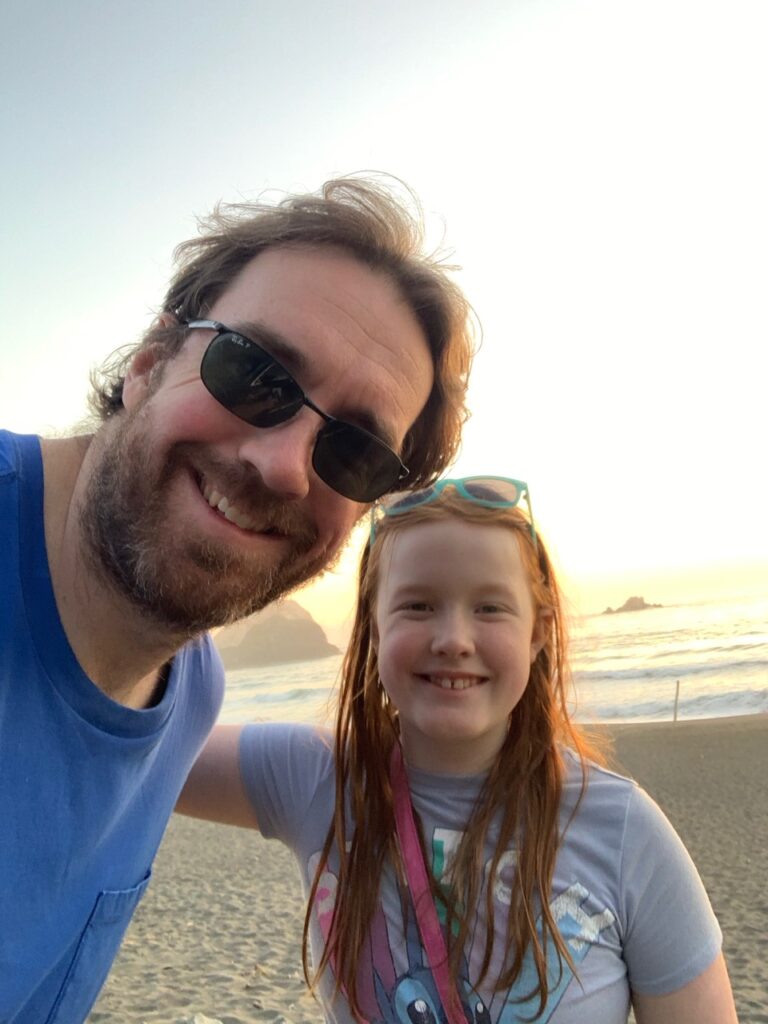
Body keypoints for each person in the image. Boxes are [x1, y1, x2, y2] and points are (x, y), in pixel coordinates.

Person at [0, 176, 475, 1022]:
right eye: (255, 373)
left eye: (355, 453)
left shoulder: (190, 692)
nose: (285, 465)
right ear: (151, 361)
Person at [179, 477, 738, 1023]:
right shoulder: (313, 780)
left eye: (490, 608)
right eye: (418, 606)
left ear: (538, 632)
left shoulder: (623, 832)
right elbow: (135, 740)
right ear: (374, 626)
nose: (453, 638)